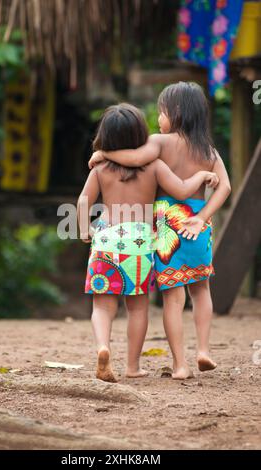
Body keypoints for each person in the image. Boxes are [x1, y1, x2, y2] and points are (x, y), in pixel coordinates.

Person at [89, 82, 231, 379]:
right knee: (201, 289)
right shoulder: (209, 151)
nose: (159, 118)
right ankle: (203, 350)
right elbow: (226, 187)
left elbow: (136, 159)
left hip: (165, 227)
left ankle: (180, 365)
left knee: (173, 297)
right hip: (196, 225)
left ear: (176, 112)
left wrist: (105, 153)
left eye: (162, 111)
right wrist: (202, 216)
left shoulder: (160, 142)